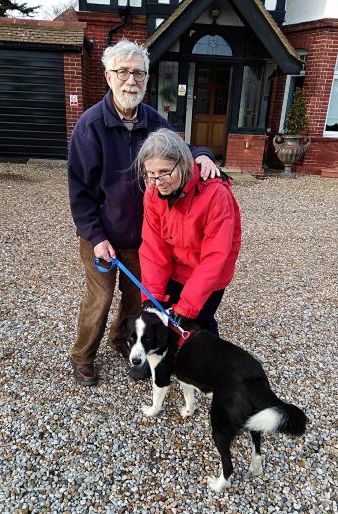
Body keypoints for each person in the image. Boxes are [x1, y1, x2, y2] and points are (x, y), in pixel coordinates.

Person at [67, 40, 219, 386]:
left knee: (137, 297)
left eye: (138, 73)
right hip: (101, 236)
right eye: (123, 72)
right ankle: (82, 356)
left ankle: (122, 339)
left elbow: (181, 149)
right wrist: (96, 236)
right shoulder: (90, 126)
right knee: (101, 296)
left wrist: (204, 154)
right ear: (108, 76)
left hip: (145, 237)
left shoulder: (154, 121)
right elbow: (80, 192)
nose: (130, 80)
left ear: (147, 80)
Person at [135, 128, 242, 339]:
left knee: (197, 322)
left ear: (183, 163)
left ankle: (211, 361)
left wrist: (187, 306)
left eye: (165, 172)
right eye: (151, 174)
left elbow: (216, 256)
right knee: (160, 317)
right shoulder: (153, 192)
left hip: (208, 273)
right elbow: (153, 248)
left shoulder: (216, 194)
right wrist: (152, 296)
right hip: (175, 269)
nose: (159, 182)